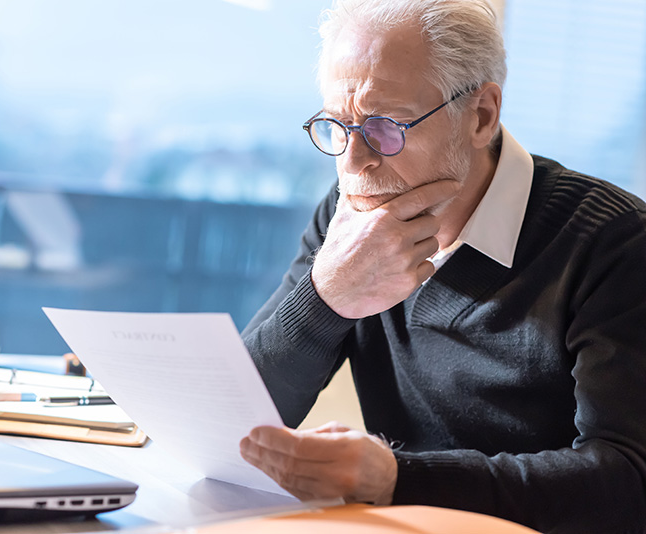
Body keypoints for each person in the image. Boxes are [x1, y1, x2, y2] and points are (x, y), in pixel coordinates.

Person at [237, 1, 646, 533]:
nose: (353, 163)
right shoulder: (350, 217)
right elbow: (238, 419)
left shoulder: (615, 244)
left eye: (385, 126)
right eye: (337, 125)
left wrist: (395, 478)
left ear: (481, 116)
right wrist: (326, 297)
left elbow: (628, 481)